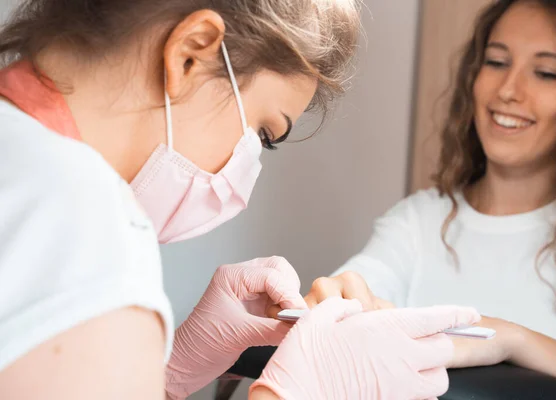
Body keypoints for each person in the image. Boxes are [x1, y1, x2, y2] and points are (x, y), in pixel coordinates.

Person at [0, 0, 481, 399]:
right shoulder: (88, 233)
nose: (242, 184)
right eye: (263, 133)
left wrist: (167, 375)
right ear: (191, 52)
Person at [304, 0, 556, 394]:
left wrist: (511, 340)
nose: (509, 90)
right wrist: (332, 302)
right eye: (496, 62)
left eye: (546, 73)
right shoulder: (417, 223)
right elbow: (347, 297)